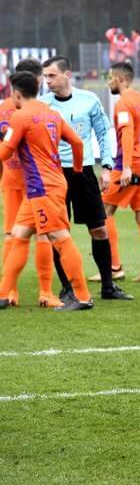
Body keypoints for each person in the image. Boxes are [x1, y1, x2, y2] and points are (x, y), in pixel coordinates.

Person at [40, 56, 132, 302]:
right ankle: (67, 288)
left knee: (99, 229)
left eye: (51, 75)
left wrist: (107, 167)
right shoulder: (42, 105)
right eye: (45, 76)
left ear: (67, 75)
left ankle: (108, 287)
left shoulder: (89, 100)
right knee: (58, 234)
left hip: (84, 173)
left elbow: (103, 134)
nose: (47, 80)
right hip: (54, 174)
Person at [0, 71, 94, 311]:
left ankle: (83, 297)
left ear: (16, 93)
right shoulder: (53, 114)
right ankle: (3, 294)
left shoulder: (20, 116)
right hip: (44, 185)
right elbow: (77, 142)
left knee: (59, 238)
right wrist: (77, 169)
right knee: (19, 235)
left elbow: (5, 153)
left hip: (43, 187)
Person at [1, 60, 58, 307]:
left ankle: (9, 292)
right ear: (37, 81)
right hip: (40, 180)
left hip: (12, 178)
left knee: (11, 234)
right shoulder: (43, 109)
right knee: (43, 235)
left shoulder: (4, 108)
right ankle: (45, 292)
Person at [101, 61, 140, 288]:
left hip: (131, 162)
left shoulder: (123, 103)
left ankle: (114, 267)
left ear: (121, 79)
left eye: (110, 78)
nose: (108, 82)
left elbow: (127, 133)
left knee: (104, 210)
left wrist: (126, 167)